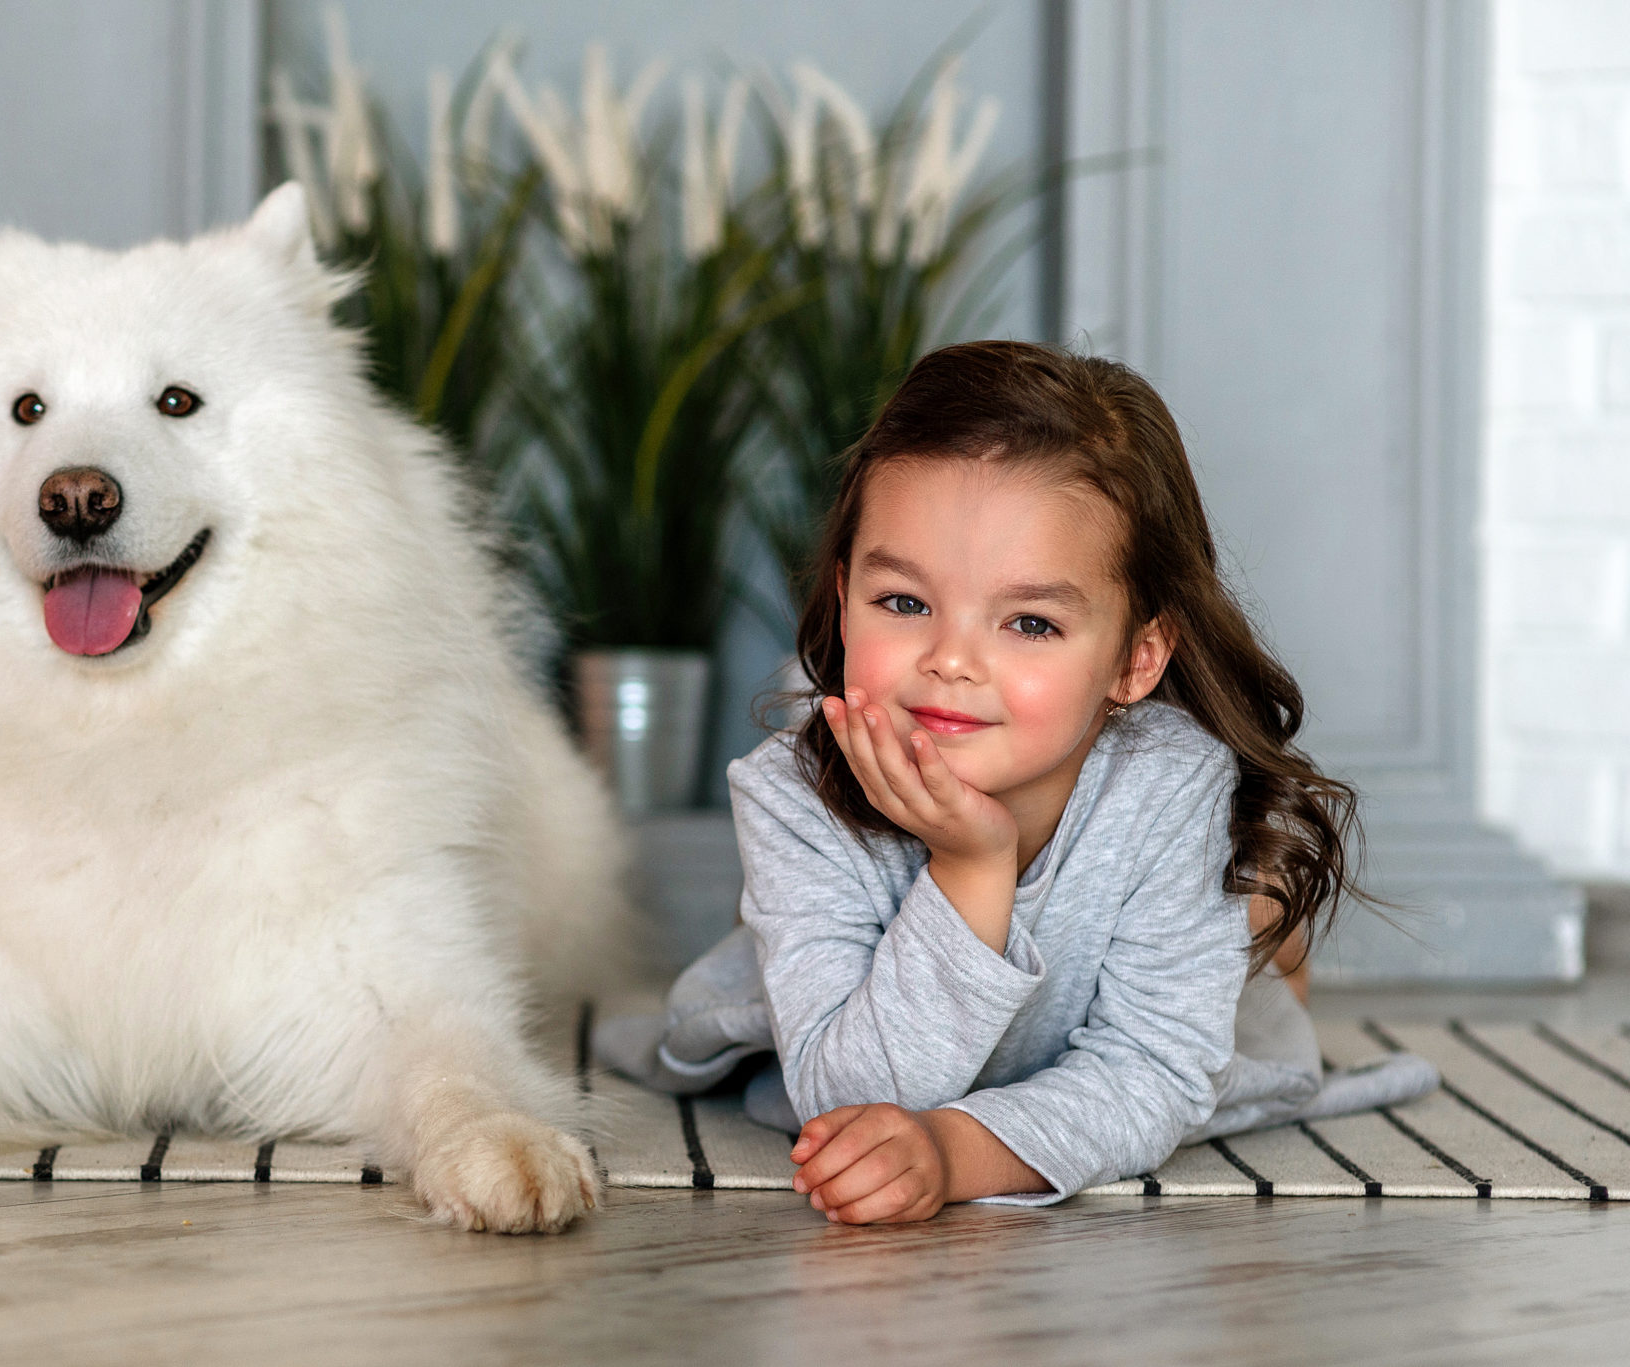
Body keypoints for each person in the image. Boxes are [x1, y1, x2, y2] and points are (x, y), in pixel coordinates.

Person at [594, 340, 1437, 1223]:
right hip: (868, 1012)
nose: (951, 660)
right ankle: (1236, 925)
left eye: (1029, 622)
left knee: (1235, 1029)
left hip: (1115, 971)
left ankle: (1257, 929)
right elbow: (850, 1094)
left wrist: (954, 1151)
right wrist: (971, 871)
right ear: (844, 599)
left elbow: (1149, 1071)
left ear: (1135, 659)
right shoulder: (790, 795)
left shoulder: (1170, 781)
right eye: (905, 603)